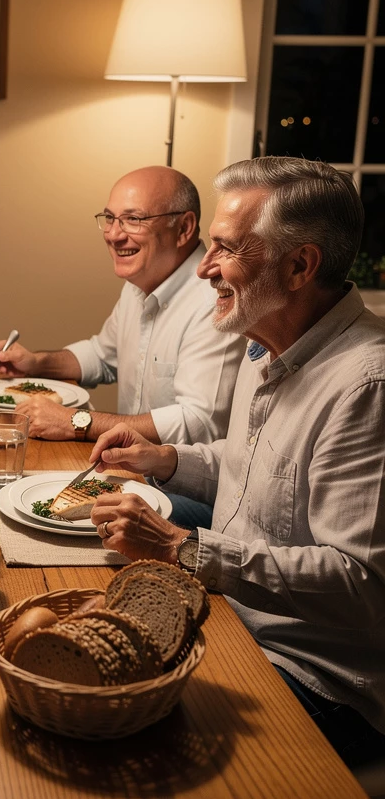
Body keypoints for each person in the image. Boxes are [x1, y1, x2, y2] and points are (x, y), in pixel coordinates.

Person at [87, 156, 385, 767]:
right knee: (86, 654)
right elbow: (260, 468)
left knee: (121, 745)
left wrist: (183, 547)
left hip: (316, 676)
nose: (204, 268)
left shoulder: (367, 386)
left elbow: (362, 585)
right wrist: (167, 459)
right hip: (227, 615)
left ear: (300, 266)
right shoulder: (264, 340)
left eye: (226, 249)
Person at [0, 166, 245, 447]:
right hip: (125, 464)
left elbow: (199, 423)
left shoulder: (216, 301)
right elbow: (102, 355)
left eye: (133, 219)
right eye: (110, 218)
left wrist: (76, 421)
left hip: (175, 475)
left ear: (183, 228)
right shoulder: (140, 282)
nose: (113, 235)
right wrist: (37, 363)